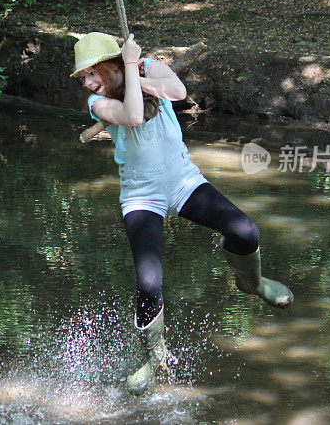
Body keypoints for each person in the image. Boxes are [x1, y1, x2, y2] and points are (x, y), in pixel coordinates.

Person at [71, 32, 293, 395]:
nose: (88, 83)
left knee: (246, 232)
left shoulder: (147, 67)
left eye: (92, 73)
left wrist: (136, 73)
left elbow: (177, 93)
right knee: (148, 284)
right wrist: (127, 72)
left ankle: (253, 283)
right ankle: (154, 355)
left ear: (109, 64)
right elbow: (134, 115)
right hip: (141, 194)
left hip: (182, 180)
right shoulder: (97, 102)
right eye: (84, 78)